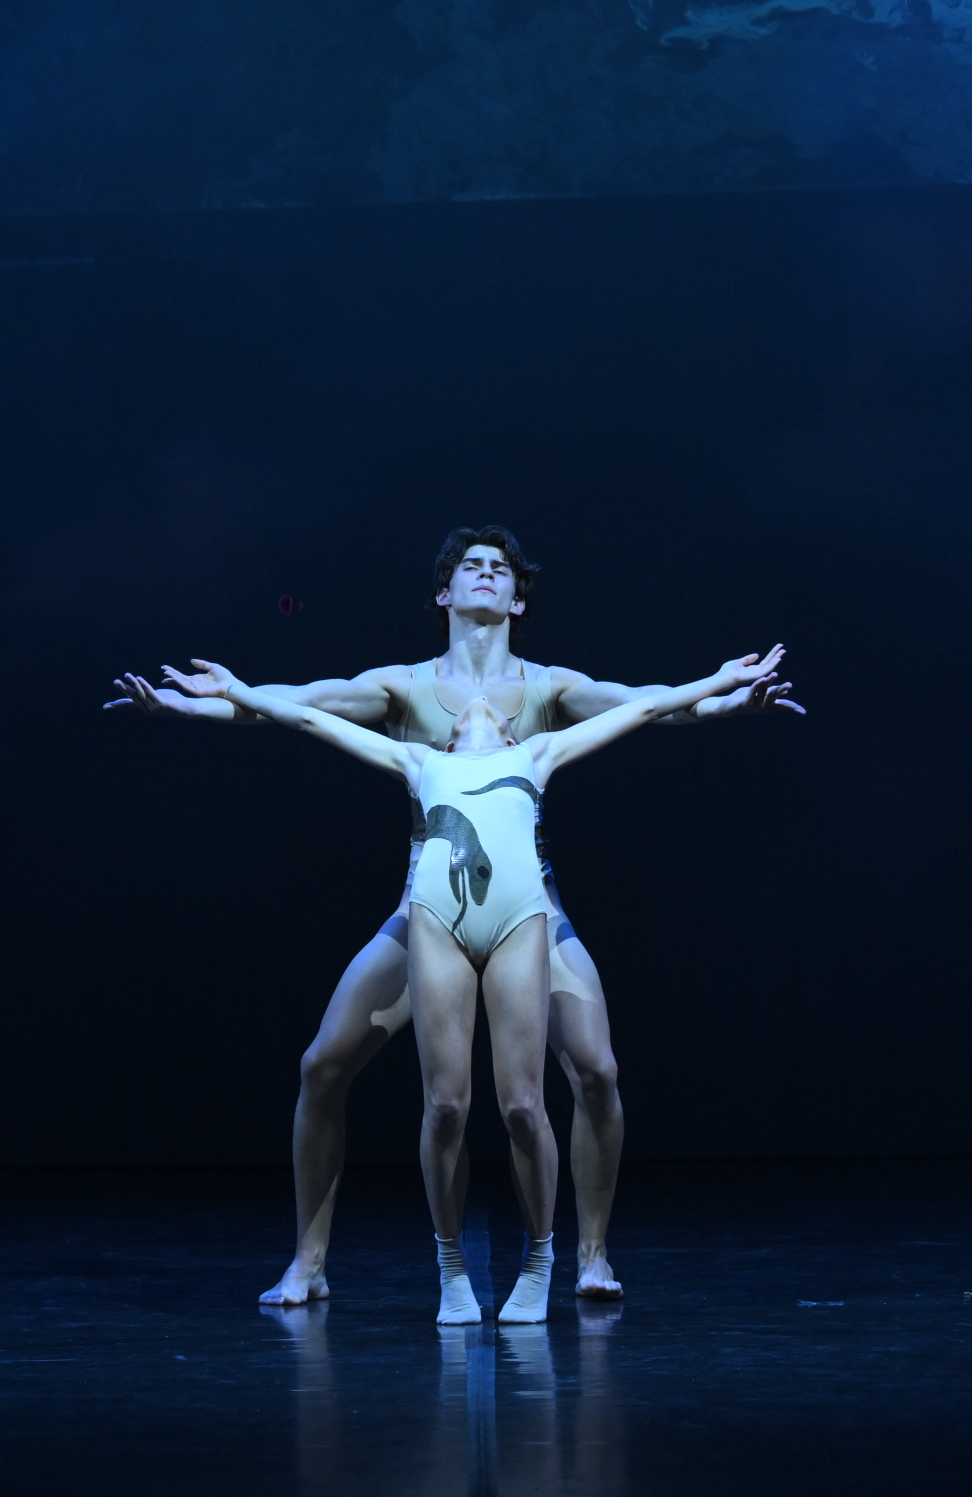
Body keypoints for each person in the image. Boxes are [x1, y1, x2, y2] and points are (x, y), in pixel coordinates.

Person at [108, 526, 803, 1305]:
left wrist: (727, 700)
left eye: (499, 568)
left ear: (518, 600)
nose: (485, 574)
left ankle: (592, 1255)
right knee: (322, 1065)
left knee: (597, 1069)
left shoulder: (547, 689)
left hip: (529, 909)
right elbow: (301, 707)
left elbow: (643, 707)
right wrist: (191, 705)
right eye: (469, 565)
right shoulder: (404, 688)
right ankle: (309, 1261)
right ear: (444, 593)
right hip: (428, 911)